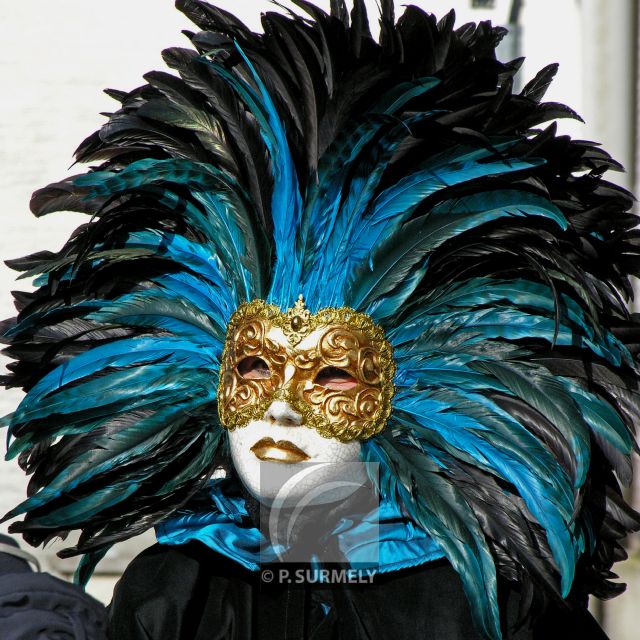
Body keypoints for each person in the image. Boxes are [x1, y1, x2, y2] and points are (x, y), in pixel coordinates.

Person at [2, 1, 639, 638]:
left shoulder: (482, 604)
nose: (280, 411)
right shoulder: (173, 591)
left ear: (402, 394)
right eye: (254, 367)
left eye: (329, 377)